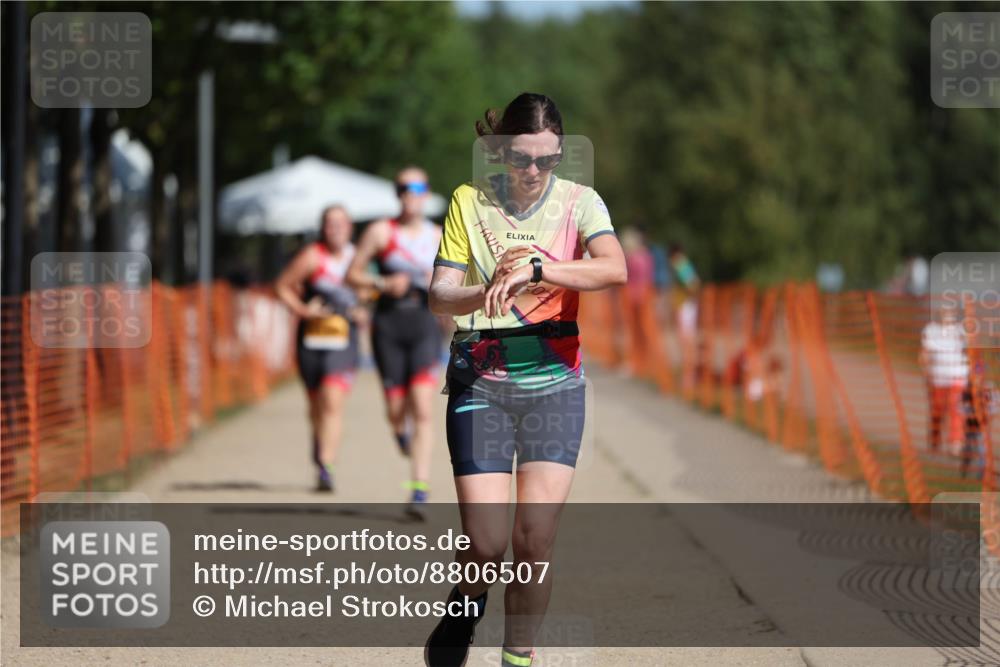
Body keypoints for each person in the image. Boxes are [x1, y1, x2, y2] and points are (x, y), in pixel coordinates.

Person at [424, 92, 627, 667]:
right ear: (498, 150)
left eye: (547, 159)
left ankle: (518, 658)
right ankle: (466, 606)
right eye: (520, 157)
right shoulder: (470, 200)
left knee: (534, 541)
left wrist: (541, 270)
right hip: (481, 383)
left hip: (555, 385)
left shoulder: (581, 203)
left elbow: (615, 268)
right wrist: (482, 292)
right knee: (485, 549)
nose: (533, 171)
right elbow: (439, 292)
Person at [347, 166, 442, 515]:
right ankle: (400, 433)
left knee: (423, 407)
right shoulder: (380, 232)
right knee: (396, 410)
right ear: (397, 193)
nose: (411, 193)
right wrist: (383, 285)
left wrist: (440, 281)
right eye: (404, 187)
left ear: (426, 192)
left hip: (423, 324)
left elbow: (458, 278)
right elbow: (352, 274)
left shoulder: (438, 235)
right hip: (387, 325)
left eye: (418, 187)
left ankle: (419, 488)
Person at [275, 205, 363, 492]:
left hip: (344, 341)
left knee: (331, 400)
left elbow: (371, 292)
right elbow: (282, 286)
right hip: (311, 341)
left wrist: (363, 309)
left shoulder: (358, 258)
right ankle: (320, 445)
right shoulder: (313, 256)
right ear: (322, 228)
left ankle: (326, 466)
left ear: (350, 227)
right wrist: (302, 310)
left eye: (340, 223)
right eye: (329, 224)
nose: (335, 229)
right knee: (316, 404)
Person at [919, 302, 969, 455]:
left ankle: (955, 443)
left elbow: (971, 353)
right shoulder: (931, 330)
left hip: (957, 376)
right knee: (937, 411)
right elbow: (924, 354)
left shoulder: (962, 330)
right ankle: (935, 441)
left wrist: (974, 371)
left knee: (956, 410)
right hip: (938, 378)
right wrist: (925, 370)